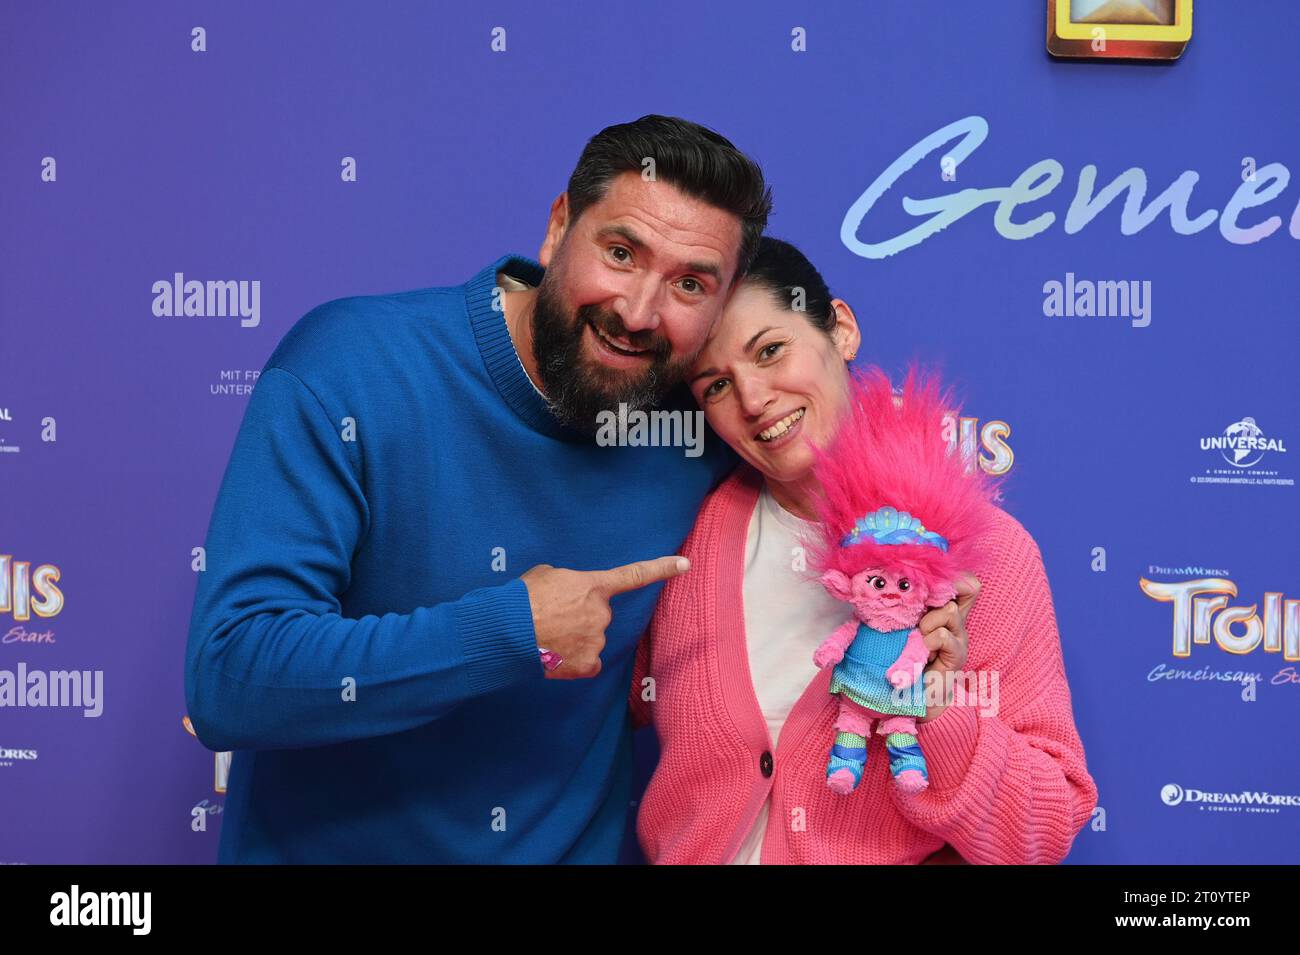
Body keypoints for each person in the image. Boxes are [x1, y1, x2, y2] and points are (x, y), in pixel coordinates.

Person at [185, 114, 771, 863]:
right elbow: (229, 675)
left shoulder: (703, 413)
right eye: (621, 253)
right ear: (559, 227)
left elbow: (840, 469)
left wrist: (950, 606)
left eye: (690, 283)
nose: (638, 310)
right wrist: (510, 630)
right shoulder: (354, 367)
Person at [630, 237, 1098, 864]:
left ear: (841, 331)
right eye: (714, 386)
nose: (752, 399)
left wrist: (939, 712)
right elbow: (583, 713)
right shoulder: (679, 539)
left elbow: (1042, 832)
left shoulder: (986, 555)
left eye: (771, 350)